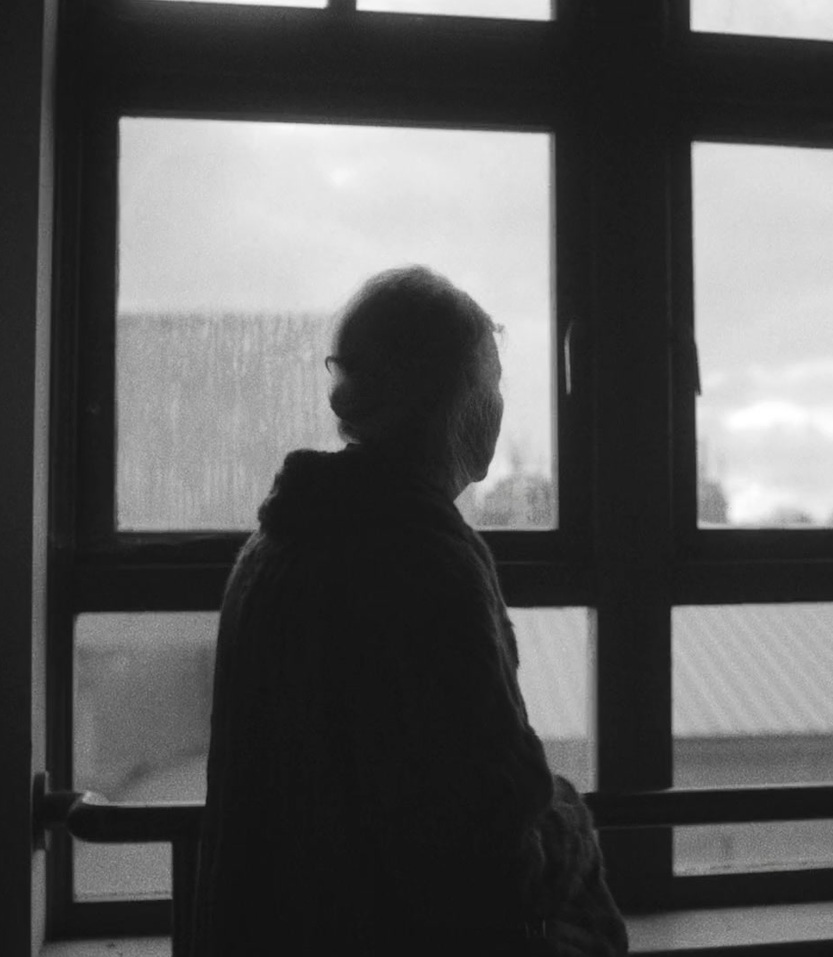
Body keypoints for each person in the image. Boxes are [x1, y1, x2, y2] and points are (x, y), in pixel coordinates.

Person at [192, 266, 629, 956]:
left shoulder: (276, 544)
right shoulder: (423, 562)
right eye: (493, 381)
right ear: (453, 396)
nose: (500, 402)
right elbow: (487, 859)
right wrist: (569, 822)